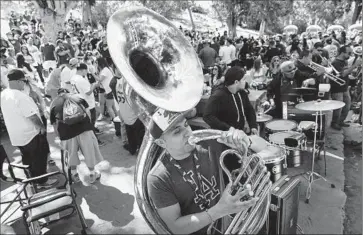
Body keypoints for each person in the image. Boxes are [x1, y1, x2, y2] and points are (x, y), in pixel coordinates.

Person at [147, 109, 259, 235]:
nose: (188, 133)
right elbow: (175, 227)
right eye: (177, 131)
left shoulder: (208, 143)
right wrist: (218, 211)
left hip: (228, 225)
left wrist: (246, 141)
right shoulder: (157, 178)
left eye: (186, 125)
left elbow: (262, 146)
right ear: (161, 143)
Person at [1, 69, 57, 188]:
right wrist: (42, 128)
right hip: (30, 134)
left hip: (16, 135)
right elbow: (32, 116)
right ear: (18, 81)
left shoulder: (4, 93)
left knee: (27, 158)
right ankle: (42, 182)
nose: (24, 83)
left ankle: (32, 180)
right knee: (39, 158)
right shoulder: (20, 96)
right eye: (23, 81)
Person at [50, 89, 104, 183]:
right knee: (89, 152)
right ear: (68, 92)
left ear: (58, 94)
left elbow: (55, 124)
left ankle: (74, 175)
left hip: (67, 134)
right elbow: (88, 114)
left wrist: (59, 137)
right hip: (84, 130)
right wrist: (89, 126)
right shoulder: (78, 98)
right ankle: (92, 173)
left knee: (72, 156)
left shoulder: (54, 103)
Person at [204, 66, 258, 135]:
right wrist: (227, 128)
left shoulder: (242, 93)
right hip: (223, 136)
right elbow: (207, 116)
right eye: (243, 79)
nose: (245, 82)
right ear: (236, 82)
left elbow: (249, 110)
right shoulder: (218, 95)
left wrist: (253, 126)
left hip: (238, 134)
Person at [330, 45, 362, 130]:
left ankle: (340, 121)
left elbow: (346, 73)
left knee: (347, 106)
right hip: (337, 89)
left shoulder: (344, 61)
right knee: (338, 108)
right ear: (342, 53)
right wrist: (355, 65)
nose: (350, 55)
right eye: (349, 53)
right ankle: (334, 123)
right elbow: (343, 74)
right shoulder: (336, 62)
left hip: (344, 87)